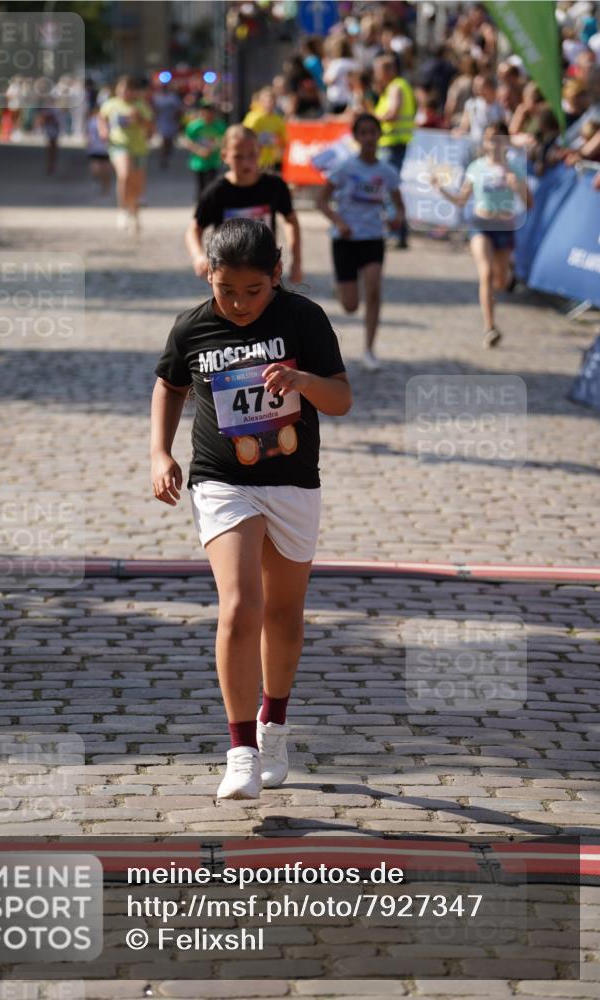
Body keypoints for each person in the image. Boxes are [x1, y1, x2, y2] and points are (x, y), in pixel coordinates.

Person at [151, 218, 351, 799]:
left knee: (284, 615)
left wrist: (303, 379)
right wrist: (159, 453)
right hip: (221, 480)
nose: (238, 303)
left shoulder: (302, 319)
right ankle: (239, 748)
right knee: (240, 604)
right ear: (208, 274)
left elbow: (341, 400)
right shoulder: (193, 326)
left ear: (276, 277)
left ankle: (274, 726)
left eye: (253, 290)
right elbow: (169, 385)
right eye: (226, 289)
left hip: (292, 480)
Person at [317, 113, 404, 371]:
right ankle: (341, 287)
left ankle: (369, 348)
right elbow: (321, 201)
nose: (368, 138)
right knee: (351, 305)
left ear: (379, 135)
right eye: (363, 133)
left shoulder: (387, 172)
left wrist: (397, 218)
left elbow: (400, 205)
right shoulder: (344, 167)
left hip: (373, 237)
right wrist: (338, 221)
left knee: (374, 288)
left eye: (372, 132)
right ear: (356, 137)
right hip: (345, 239)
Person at [432, 122, 528, 348]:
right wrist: (441, 189)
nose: (494, 143)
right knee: (485, 274)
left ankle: (507, 278)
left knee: (500, 281)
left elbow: (529, 202)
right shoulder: (476, 167)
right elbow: (461, 200)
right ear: (484, 142)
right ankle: (489, 327)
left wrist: (517, 188)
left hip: (504, 227)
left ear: (506, 142)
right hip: (480, 225)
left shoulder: (515, 167)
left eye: (498, 138)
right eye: (489, 138)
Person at [185, 125, 302, 284]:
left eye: (251, 155)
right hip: (228, 272)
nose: (246, 162)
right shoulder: (217, 191)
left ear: (259, 152)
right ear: (225, 156)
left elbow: (291, 220)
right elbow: (194, 228)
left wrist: (296, 260)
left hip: (265, 269)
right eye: (238, 157)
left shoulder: (275, 186)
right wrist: (198, 256)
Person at [99, 75, 153, 235]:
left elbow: (150, 127)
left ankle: (135, 214)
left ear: (134, 92)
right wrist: (103, 130)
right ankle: (122, 210)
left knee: (136, 187)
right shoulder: (111, 104)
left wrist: (139, 118)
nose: (125, 93)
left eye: (128, 90)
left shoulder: (141, 106)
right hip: (118, 146)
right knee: (124, 175)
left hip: (139, 148)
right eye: (121, 89)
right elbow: (101, 118)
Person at [373, 54, 416, 248]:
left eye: (378, 71)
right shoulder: (396, 86)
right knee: (390, 188)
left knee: (389, 189)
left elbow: (392, 113)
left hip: (393, 144)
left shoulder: (396, 87)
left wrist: (372, 119)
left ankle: (396, 232)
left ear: (388, 70)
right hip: (393, 143)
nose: (376, 75)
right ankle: (398, 232)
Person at [181, 99, 226, 197]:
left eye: (210, 111)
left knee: (212, 186)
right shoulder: (194, 126)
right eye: (205, 110)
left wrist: (213, 149)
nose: (208, 113)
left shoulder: (219, 125)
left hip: (214, 161)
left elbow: (223, 140)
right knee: (201, 187)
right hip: (199, 162)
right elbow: (187, 141)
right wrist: (198, 150)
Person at [242, 87, 287, 171]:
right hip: (255, 161)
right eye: (267, 101)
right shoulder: (253, 117)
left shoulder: (278, 120)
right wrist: (259, 140)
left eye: (272, 100)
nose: (270, 103)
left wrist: (275, 140)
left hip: (272, 162)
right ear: (260, 102)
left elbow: (284, 140)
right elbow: (244, 136)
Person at [152, 80, 182, 169]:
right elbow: (153, 110)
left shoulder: (173, 97)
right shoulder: (157, 97)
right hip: (161, 122)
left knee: (169, 141)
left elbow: (179, 110)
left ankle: (167, 154)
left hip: (171, 122)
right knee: (164, 140)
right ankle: (163, 158)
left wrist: (177, 120)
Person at [86, 104, 111, 194]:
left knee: (106, 171)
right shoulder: (92, 121)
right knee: (95, 169)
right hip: (95, 149)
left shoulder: (109, 122)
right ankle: (99, 181)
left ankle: (106, 188)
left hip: (106, 149)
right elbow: (88, 133)